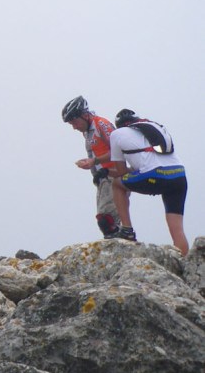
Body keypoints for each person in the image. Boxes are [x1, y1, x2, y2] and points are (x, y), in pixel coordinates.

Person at [109, 109, 189, 256]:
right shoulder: (154, 126)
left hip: (156, 175)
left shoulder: (116, 134)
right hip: (178, 175)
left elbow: (120, 172)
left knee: (116, 183)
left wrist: (103, 172)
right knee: (177, 230)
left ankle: (127, 230)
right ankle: (185, 266)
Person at [61, 96, 129, 240]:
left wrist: (94, 161)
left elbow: (119, 150)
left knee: (107, 220)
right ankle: (122, 243)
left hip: (114, 175)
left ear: (84, 115)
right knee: (105, 222)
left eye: (74, 122)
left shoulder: (101, 125)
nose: (74, 127)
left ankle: (123, 246)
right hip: (102, 178)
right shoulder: (87, 131)